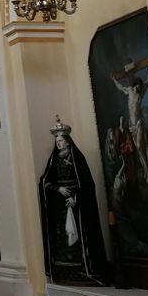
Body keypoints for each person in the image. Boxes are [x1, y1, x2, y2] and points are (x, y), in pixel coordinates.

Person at [39, 117, 108, 285]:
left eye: (61, 140)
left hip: (76, 204)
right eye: (57, 141)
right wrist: (58, 189)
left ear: (68, 141)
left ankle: (83, 269)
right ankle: (64, 270)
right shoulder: (53, 160)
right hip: (59, 206)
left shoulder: (77, 158)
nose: (58, 143)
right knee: (62, 236)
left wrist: (75, 197)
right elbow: (45, 182)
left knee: (79, 234)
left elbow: (86, 183)